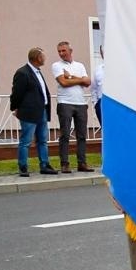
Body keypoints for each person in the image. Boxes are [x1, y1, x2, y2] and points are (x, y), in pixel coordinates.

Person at [9, 47, 57, 177]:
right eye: (43, 56)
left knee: (42, 139)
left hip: (42, 110)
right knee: (26, 141)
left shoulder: (37, 72)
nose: (45, 58)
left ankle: (45, 164)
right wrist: (15, 108)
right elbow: (17, 93)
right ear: (38, 58)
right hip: (29, 112)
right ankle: (23, 166)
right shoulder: (23, 73)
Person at [50, 40, 93, 173]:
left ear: (70, 51)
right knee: (65, 135)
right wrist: (79, 79)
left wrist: (72, 77)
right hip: (65, 103)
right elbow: (63, 82)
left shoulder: (79, 65)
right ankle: (65, 164)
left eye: (64, 50)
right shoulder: (56, 65)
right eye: (59, 51)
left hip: (80, 103)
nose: (61, 53)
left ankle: (82, 163)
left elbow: (88, 82)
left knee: (82, 135)